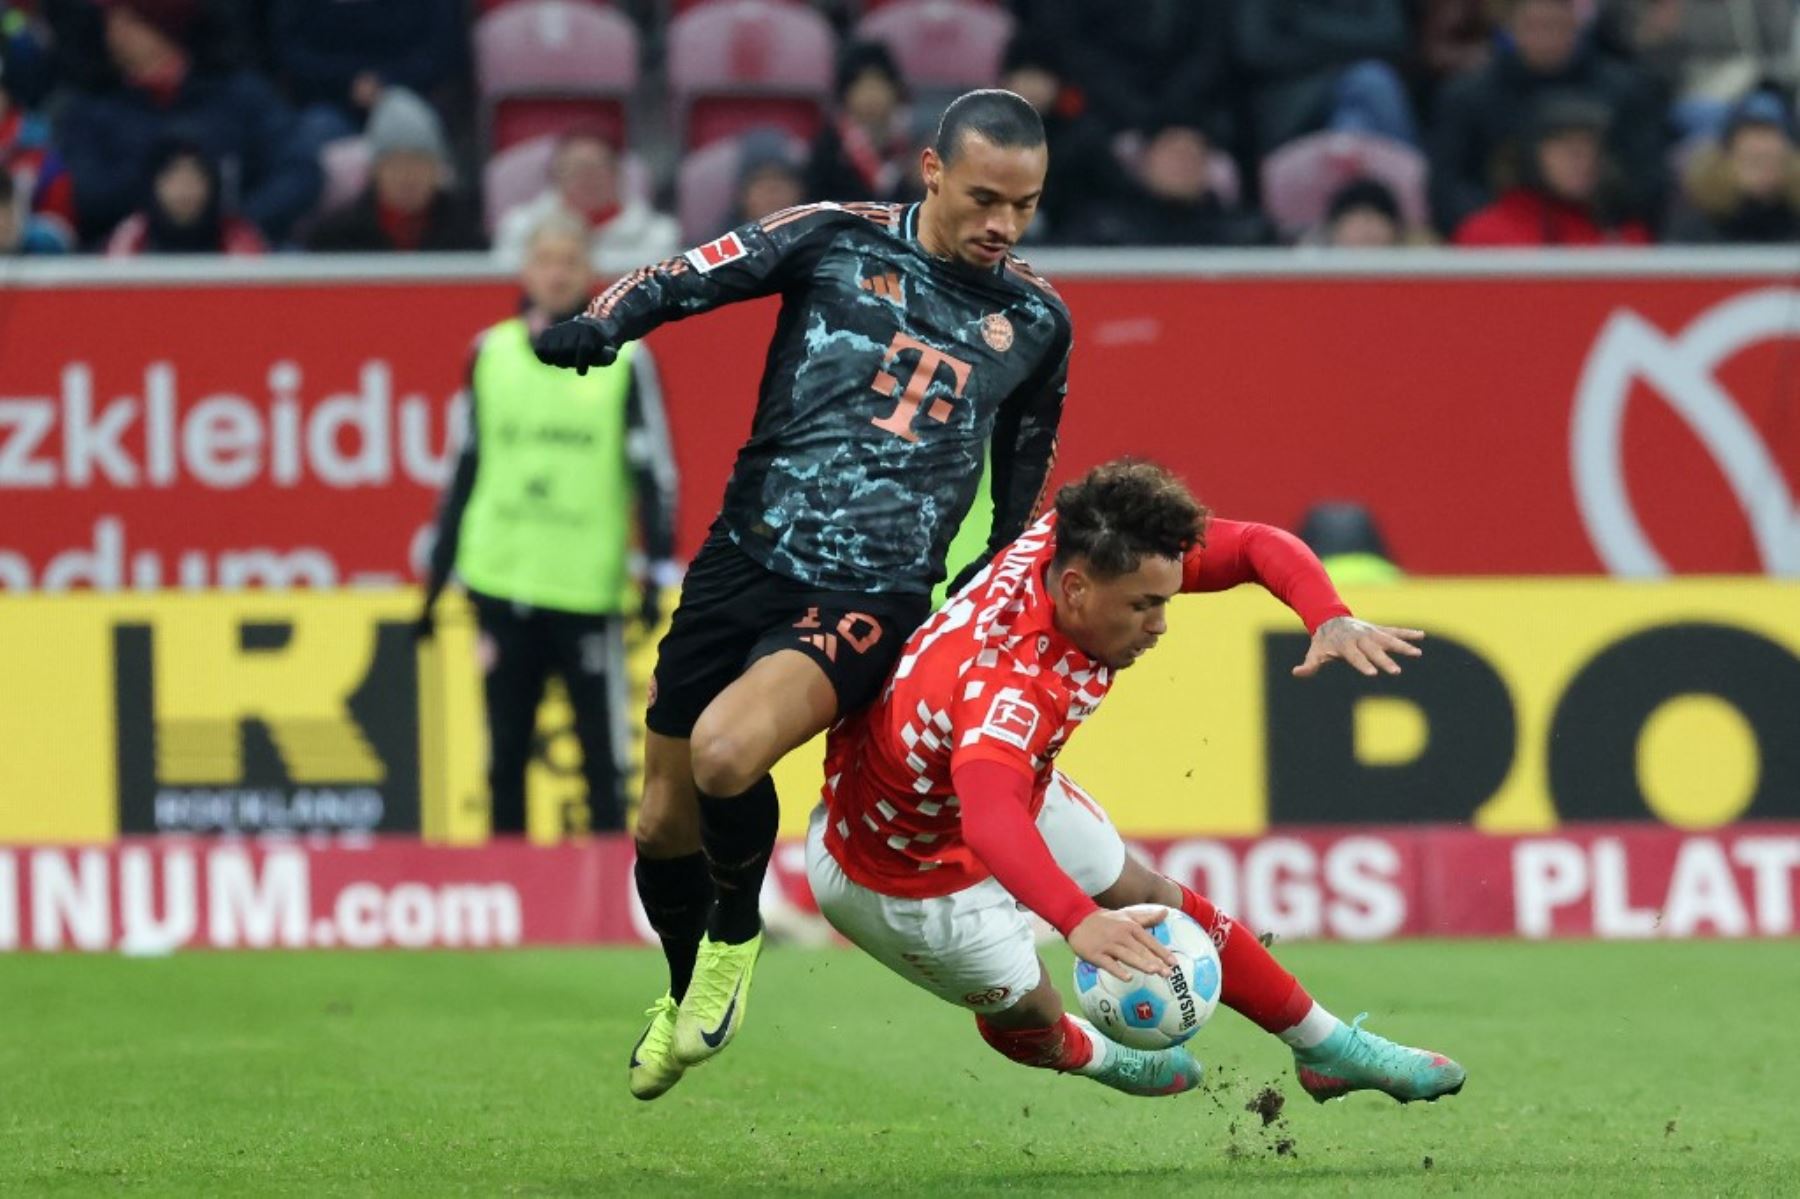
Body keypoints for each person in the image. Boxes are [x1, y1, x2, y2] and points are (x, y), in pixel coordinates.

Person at [534, 90, 1074, 1100]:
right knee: (660, 821)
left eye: (1026, 205)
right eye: (986, 197)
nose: (1003, 225)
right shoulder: (829, 236)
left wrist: (989, 578)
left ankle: (737, 940)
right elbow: (683, 275)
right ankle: (687, 981)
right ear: (931, 172)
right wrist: (604, 324)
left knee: (727, 752)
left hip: (872, 588)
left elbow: (1022, 484)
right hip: (743, 558)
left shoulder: (1036, 321)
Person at [807, 459, 1465, 1102]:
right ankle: (1087, 1050)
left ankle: (1328, 1049)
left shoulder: (1083, 549)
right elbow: (990, 819)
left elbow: (1258, 545)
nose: (1160, 623)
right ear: (1075, 591)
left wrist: (1326, 612)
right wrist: (1077, 919)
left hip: (972, 786)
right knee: (1032, 1002)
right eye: (1145, 605)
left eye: (1167, 598)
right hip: (895, 871)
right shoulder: (1010, 687)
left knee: (1146, 891)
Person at [416, 212, 678, 836]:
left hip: (585, 587)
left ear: (589, 272)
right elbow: (464, 467)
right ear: (526, 270)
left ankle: (612, 909)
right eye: (546, 260)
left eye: (569, 260)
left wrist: (655, 572)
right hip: (501, 581)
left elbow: (655, 475)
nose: (557, 273)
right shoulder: (491, 352)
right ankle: (509, 906)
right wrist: (435, 582)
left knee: (603, 760)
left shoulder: (625, 358)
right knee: (503, 755)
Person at [56, 0, 320, 246]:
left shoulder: (239, 95)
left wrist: (235, 223)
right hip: (126, 259)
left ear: (162, 26)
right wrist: (159, 201)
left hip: (241, 259)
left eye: (128, 22)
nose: (112, 32)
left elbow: (298, 171)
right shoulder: (92, 105)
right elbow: (83, 190)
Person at [1429, 0, 1662, 235]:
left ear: (1577, 23)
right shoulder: (1468, 97)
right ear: (1510, 27)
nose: (1545, 38)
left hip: (1600, 232)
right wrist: (1501, 224)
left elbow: (1646, 175)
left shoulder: (1625, 91)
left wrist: (1596, 215)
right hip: (1501, 239)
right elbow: (1448, 186)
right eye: (1534, 25)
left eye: (1555, 25)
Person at [1452, 94, 1652, 246]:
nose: (1583, 160)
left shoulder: (1625, 236)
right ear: (1531, 157)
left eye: (1592, 148)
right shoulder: (1484, 236)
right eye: (1565, 147)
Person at [305, 86, 483, 253]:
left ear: (438, 170)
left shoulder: (467, 233)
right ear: (374, 171)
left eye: (419, 163)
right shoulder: (337, 238)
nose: (407, 176)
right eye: (395, 165)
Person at [492, 125, 679, 276]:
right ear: (556, 176)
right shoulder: (521, 228)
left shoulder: (658, 235)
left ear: (617, 174)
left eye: (595, 169)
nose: (585, 179)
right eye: (574, 169)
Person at [1665, 99, 1800, 245]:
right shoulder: (1696, 217)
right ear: (1727, 157)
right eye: (1753, 160)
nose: (1762, 145)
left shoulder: (1794, 219)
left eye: (1770, 159)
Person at [803, 41, 921, 206]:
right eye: (861, 87)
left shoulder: (914, 142)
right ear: (845, 95)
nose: (870, 96)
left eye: (878, 85)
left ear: (895, 90)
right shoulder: (828, 149)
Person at [105, 135, 266, 255]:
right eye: (174, 179)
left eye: (195, 178)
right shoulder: (126, 243)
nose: (184, 190)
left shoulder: (243, 244)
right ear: (153, 186)